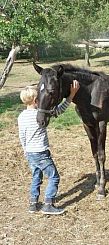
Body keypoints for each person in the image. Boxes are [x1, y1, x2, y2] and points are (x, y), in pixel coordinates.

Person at [18, 80, 80, 215]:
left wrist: (25, 150)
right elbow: (59, 110)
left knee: (36, 176)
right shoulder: (39, 115)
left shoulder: (21, 116)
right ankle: (48, 204)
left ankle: (33, 204)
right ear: (36, 100)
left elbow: (22, 136)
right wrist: (71, 95)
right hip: (40, 152)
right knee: (54, 177)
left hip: (29, 152)